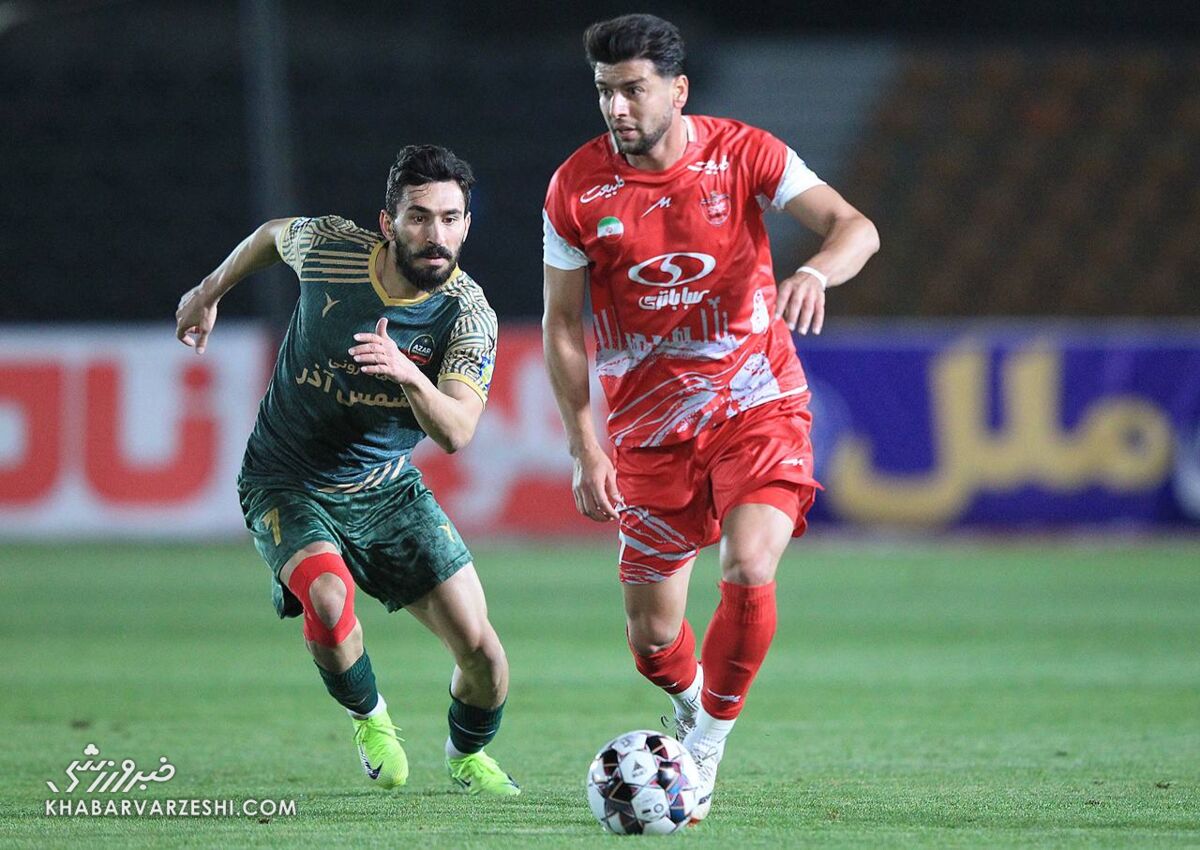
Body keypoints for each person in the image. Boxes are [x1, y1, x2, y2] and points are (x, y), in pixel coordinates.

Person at [542, 14, 879, 818]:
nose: (617, 108)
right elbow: (561, 325)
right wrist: (585, 445)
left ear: (678, 90)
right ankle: (696, 707)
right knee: (653, 642)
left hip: (753, 403)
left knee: (749, 566)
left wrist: (816, 274)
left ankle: (705, 747)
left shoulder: (743, 153)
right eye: (605, 91)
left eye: (634, 90)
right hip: (649, 435)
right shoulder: (575, 189)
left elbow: (854, 227)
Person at [175, 145, 519, 796]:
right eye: (419, 217)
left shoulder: (468, 314)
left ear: (467, 224)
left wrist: (408, 373)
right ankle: (371, 720)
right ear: (388, 224)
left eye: (451, 219)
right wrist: (206, 291)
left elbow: (457, 432)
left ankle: (466, 757)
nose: (436, 234)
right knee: (329, 600)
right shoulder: (332, 249)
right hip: (286, 478)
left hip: (385, 489)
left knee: (484, 658)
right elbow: (271, 236)